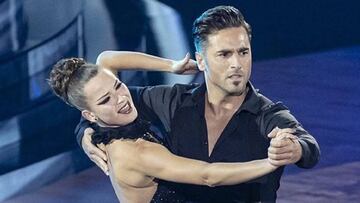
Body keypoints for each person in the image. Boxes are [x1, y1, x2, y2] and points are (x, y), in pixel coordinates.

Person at [77, 5, 320, 202]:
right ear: (201, 61)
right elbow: (107, 96)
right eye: (224, 54)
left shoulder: (268, 114)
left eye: (243, 52)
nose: (236, 63)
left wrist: (295, 148)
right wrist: (86, 131)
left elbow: (308, 147)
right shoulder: (172, 101)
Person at [48, 57, 291, 203]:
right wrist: (271, 163)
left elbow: (107, 58)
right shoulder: (135, 153)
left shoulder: (108, 126)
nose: (122, 98)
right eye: (105, 100)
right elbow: (208, 175)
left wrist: (171, 66)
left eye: (119, 85)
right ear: (89, 115)